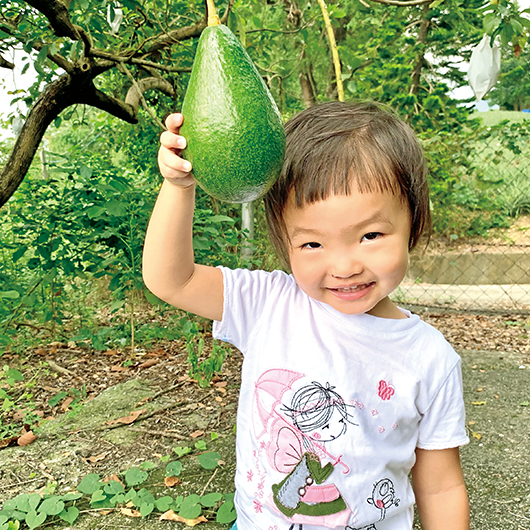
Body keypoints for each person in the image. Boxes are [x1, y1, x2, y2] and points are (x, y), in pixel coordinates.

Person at [143, 101, 470, 530]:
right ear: (284, 241)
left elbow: (441, 487)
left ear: (414, 221)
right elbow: (171, 280)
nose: (344, 266)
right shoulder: (268, 304)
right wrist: (179, 187)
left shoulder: (431, 359)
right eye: (312, 244)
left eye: (370, 235)